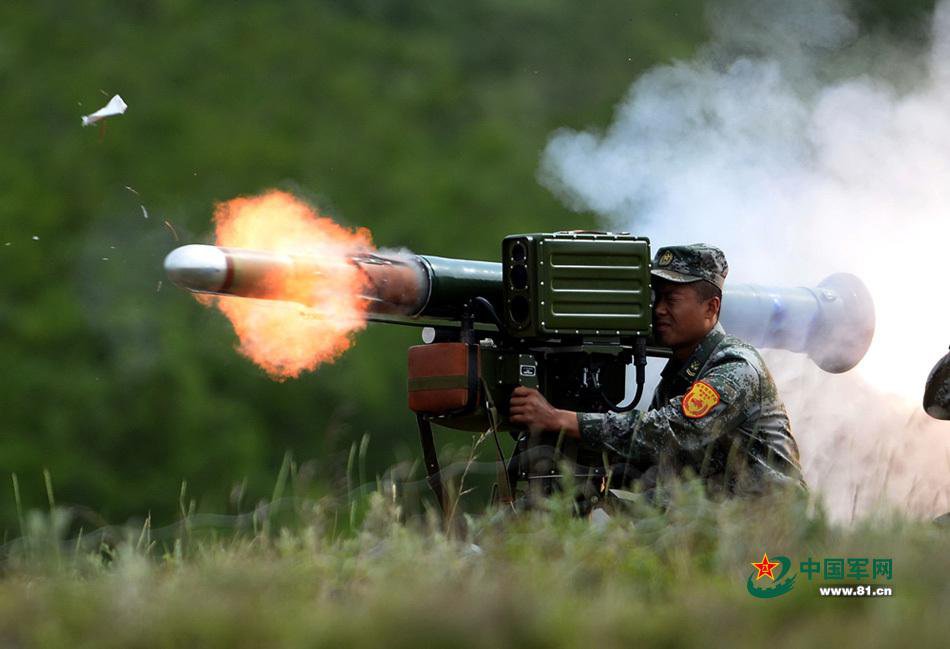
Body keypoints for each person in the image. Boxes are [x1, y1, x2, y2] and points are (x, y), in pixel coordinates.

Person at [508, 244, 806, 498]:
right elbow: (649, 457)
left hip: (769, 525)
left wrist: (559, 418)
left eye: (672, 299)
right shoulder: (680, 373)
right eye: (657, 299)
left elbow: (671, 431)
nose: (660, 309)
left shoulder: (734, 367)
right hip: (720, 518)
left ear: (711, 308)